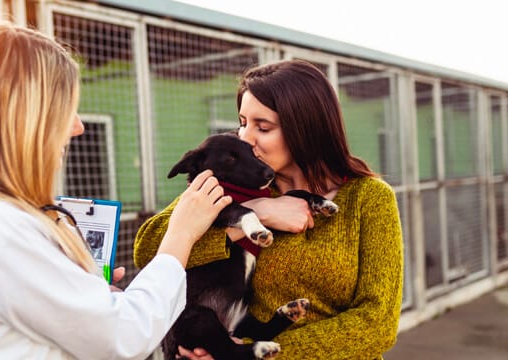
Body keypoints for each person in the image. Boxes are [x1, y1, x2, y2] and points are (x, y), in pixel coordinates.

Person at [0, 21, 232, 360]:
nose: (78, 126)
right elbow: (123, 335)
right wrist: (180, 238)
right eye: (66, 109)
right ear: (25, 119)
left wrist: (83, 291)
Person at [134, 59, 403, 359]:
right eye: (243, 122)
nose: (246, 138)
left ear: (306, 129)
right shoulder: (232, 183)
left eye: (263, 127)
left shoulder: (369, 198)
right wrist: (257, 210)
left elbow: (377, 324)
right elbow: (149, 250)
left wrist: (254, 355)